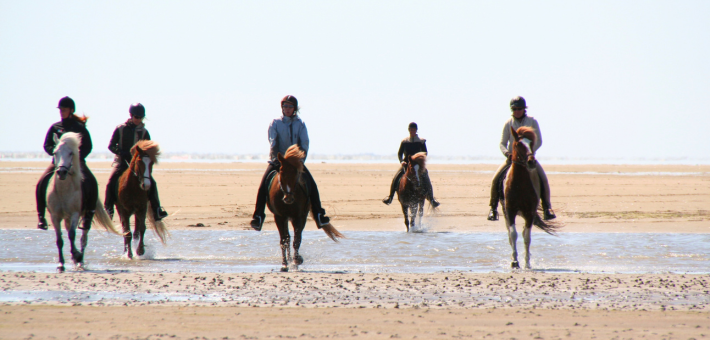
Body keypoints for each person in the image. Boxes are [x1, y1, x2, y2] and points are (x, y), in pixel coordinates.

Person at [249, 95, 331, 231]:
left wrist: (300, 161)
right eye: (285, 106)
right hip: (278, 160)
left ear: (295, 109)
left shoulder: (300, 124)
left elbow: (304, 144)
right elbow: (273, 142)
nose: (287, 109)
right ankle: (258, 217)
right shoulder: (275, 123)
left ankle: (319, 215)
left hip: (295, 162)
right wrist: (276, 158)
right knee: (263, 185)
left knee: (312, 184)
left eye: (290, 106)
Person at [487, 96, 556, 221]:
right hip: (512, 158)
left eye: (520, 108)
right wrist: (508, 153)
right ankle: (493, 208)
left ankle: (547, 208)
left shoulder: (532, 122)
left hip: (528, 158)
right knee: (495, 179)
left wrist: (530, 153)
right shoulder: (508, 123)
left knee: (543, 179)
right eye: (514, 109)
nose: (517, 111)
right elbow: (502, 143)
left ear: (524, 109)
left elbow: (539, 140)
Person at [36, 96, 99, 230]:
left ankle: (89, 215)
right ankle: (41, 217)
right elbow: (47, 145)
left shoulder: (79, 128)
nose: (62, 111)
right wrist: (55, 151)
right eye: (61, 109)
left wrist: (77, 157)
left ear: (71, 110)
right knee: (41, 182)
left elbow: (88, 146)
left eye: (64, 109)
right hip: (58, 162)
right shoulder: (55, 127)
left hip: (77, 163)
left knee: (91, 182)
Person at [104, 103, 168, 220]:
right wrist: (120, 152)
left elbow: (148, 149)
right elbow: (111, 146)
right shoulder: (120, 128)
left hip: (137, 164)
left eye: (141, 118)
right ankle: (108, 208)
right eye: (136, 117)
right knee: (111, 181)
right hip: (121, 161)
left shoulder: (144, 132)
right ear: (131, 115)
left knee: (152, 183)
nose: (138, 120)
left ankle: (157, 210)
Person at [381, 122, 440, 208]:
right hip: (406, 164)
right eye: (411, 129)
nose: (412, 131)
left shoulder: (421, 141)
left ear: (416, 130)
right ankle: (390, 197)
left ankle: (431, 199)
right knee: (396, 177)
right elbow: (399, 153)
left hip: (418, 165)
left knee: (426, 177)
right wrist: (401, 161)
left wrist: (419, 160)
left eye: (414, 129)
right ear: (409, 130)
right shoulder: (405, 141)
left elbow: (425, 153)